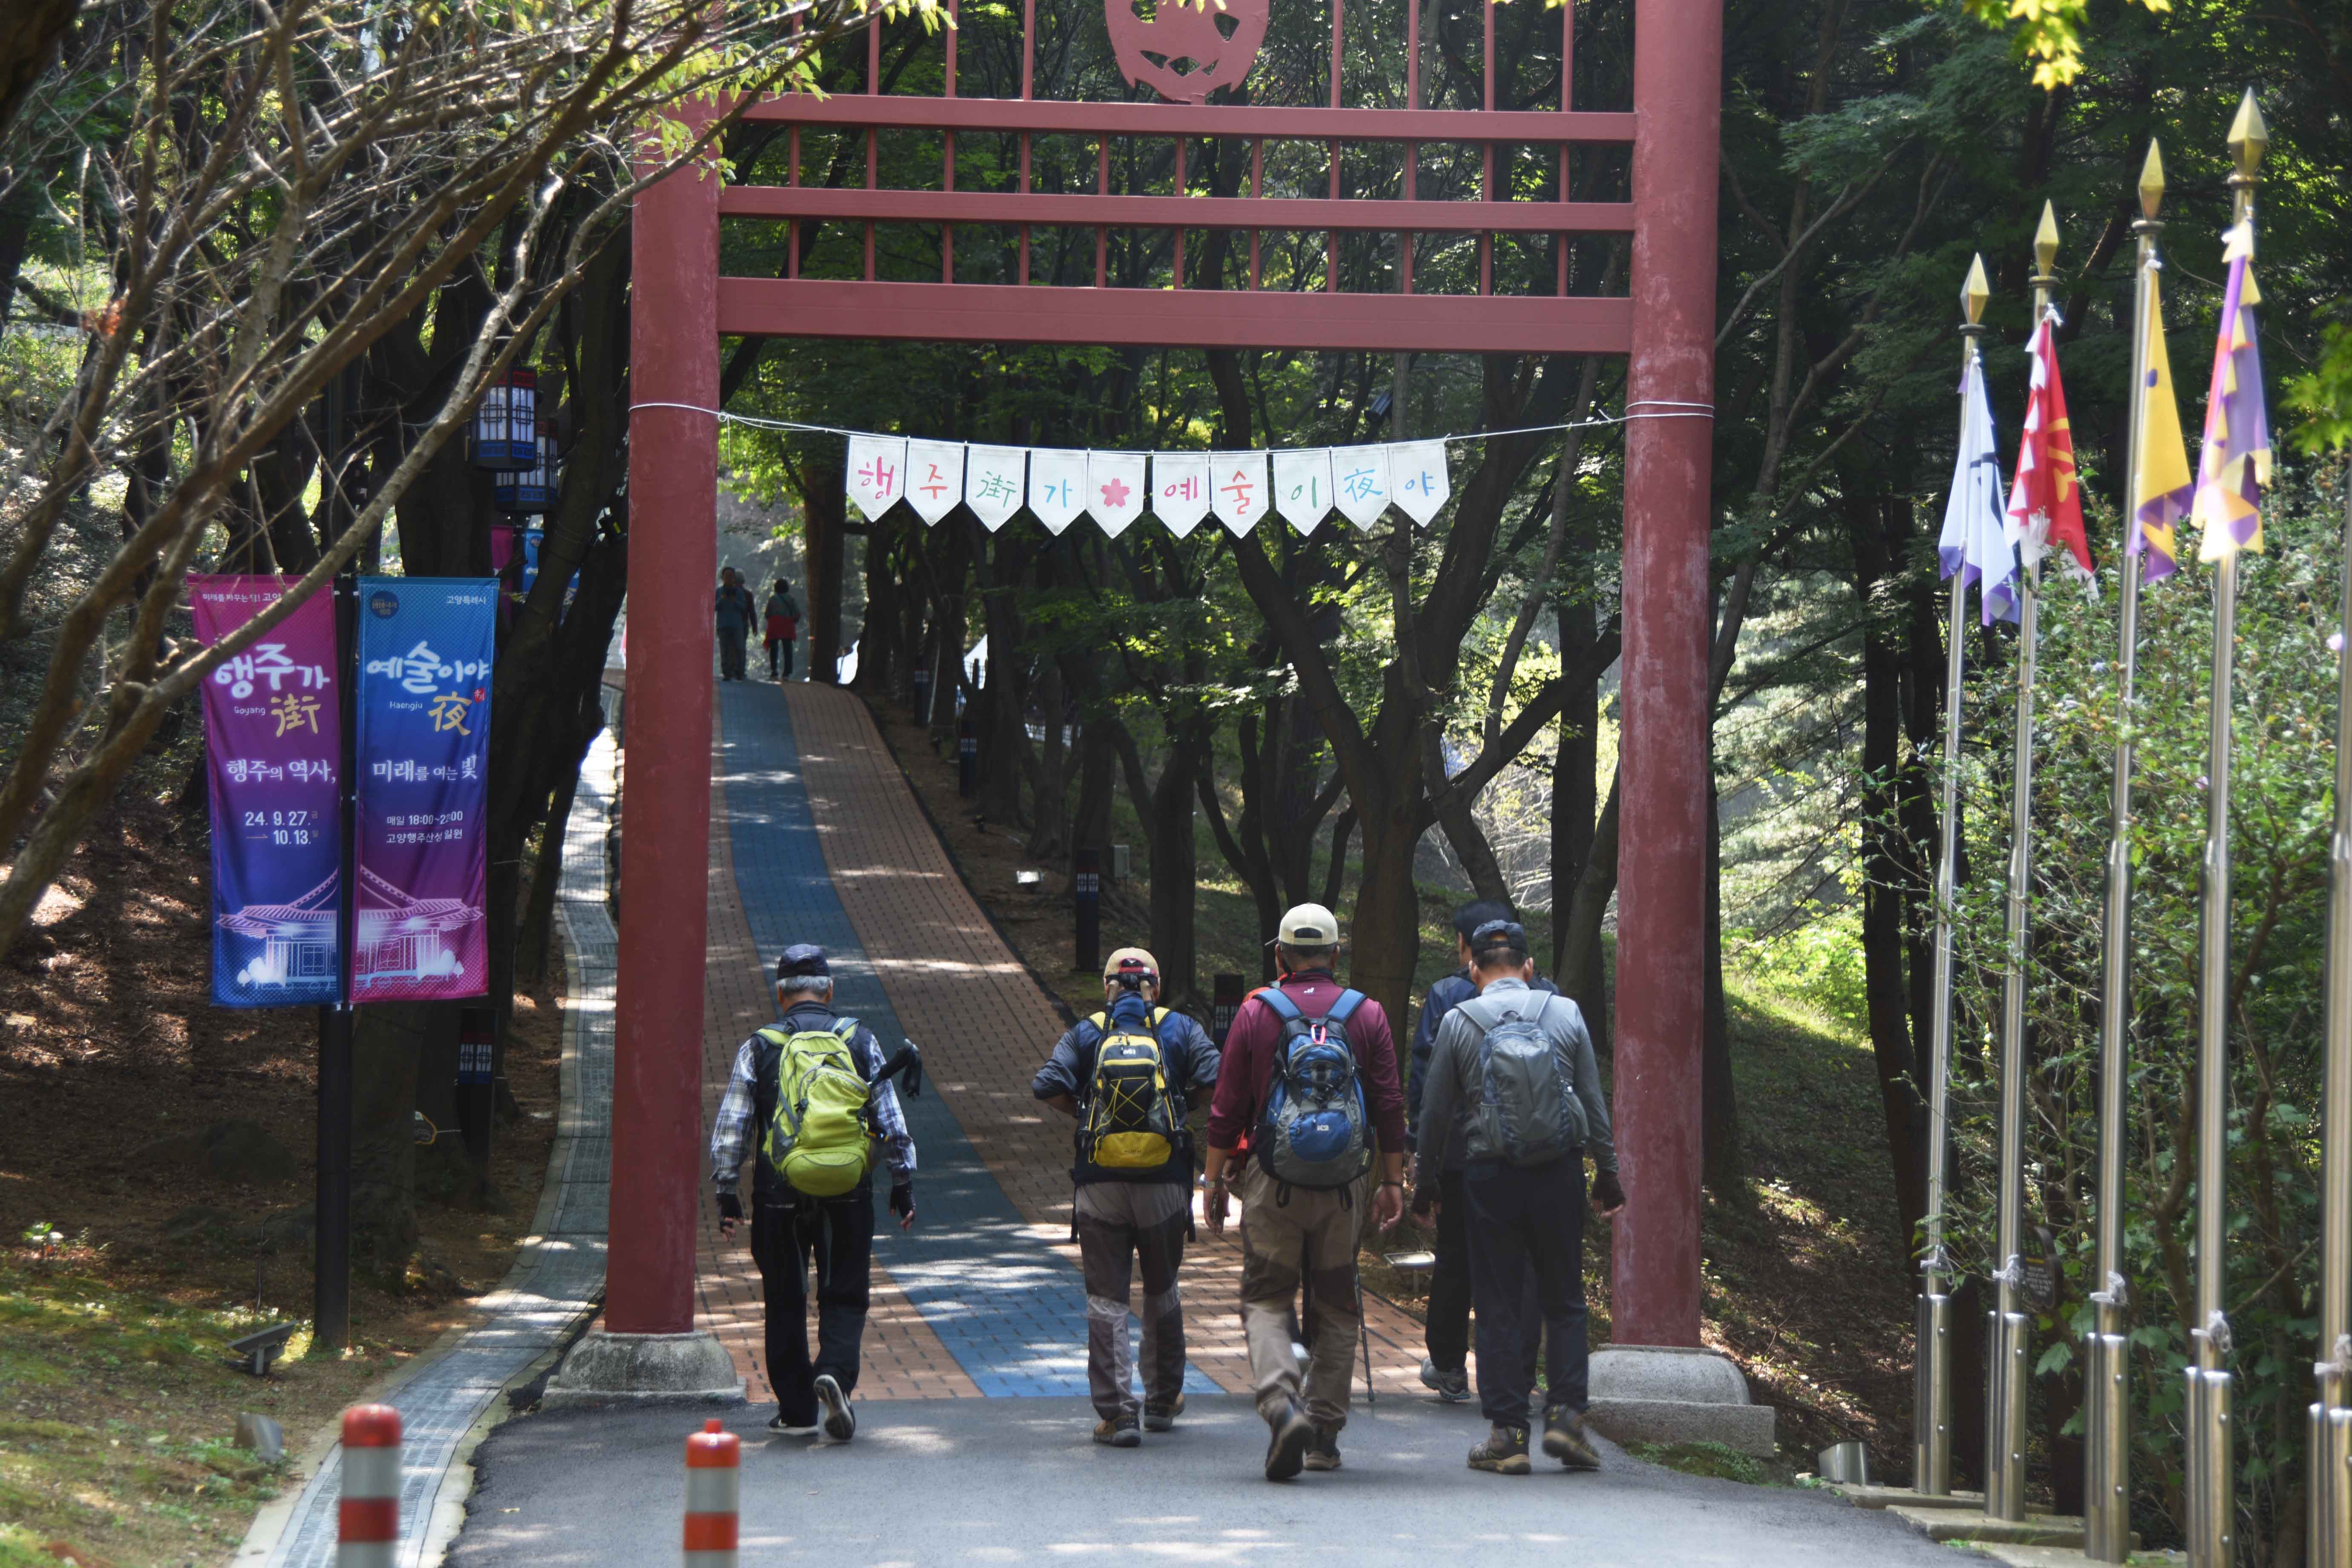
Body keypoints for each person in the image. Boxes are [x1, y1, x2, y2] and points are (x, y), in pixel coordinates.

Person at [1202, 903, 1408, 1482]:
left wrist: (1213, 1180)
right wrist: (1392, 1181)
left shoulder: (1256, 1011)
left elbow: (1226, 1106)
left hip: (1274, 1182)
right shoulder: (1367, 1013)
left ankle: (1281, 1404)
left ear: (1280, 956)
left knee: (1267, 1297)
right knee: (1337, 1305)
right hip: (1345, 1184)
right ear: (1336, 955)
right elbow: (1390, 1105)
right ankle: (1322, 1434)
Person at [1413, 918, 1625, 1476]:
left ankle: (1507, 1436)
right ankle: (1567, 1420)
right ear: (1530, 968)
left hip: (1490, 1176)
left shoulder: (1460, 1020)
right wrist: (1607, 1173)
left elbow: (1435, 1113)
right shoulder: (1566, 1013)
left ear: (1474, 970)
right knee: (1565, 1299)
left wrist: (1425, 1183)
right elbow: (1593, 1102)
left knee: (1498, 1301)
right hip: (1559, 1171)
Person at [711, 944, 917, 1440]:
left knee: (784, 1296)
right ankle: (836, 1373)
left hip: (778, 1191)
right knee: (845, 1288)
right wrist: (902, 1182)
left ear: (780, 993)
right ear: (829, 990)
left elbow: (733, 1128)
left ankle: (797, 1410)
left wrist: (727, 1192)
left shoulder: (759, 1046)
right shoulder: (858, 1038)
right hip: (849, 1185)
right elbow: (889, 1116)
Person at [1032, 948, 1220, 1447]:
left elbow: (1045, 1084)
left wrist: (1086, 1114)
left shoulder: (1088, 1031)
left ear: (1108, 986)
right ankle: (1162, 1398)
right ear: (1155, 986)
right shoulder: (1180, 1028)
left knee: (1106, 1298)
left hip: (1100, 1184)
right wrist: (1180, 1106)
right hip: (1165, 1181)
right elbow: (1216, 1076)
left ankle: (1118, 1414)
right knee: (1162, 1288)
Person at [1407, 899, 1551, 1404]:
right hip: (1537, 1154)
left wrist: (1419, 1152)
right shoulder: (1549, 998)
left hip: (1462, 1154)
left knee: (1456, 1257)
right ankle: (1520, 1373)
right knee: (1526, 1265)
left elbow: (1427, 1080)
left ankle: (1449, 1365)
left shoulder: (1448, 995)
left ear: (1471, 951)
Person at [714, 568, 755, 682]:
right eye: (726, 576)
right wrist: (722, 600)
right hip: (723, 625)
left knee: (740, 649)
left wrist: (735, 601)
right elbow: (714, 607)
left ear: (734, 578)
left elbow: (744, 607)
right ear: (723, 578)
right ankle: (727, 673)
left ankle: (740, 672)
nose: (729, 578)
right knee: (725, 650)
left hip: (737, 625)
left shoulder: (739, 592)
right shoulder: (719, 592)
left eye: (731, 576)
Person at [764, 578, 801, 681]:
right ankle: (787, 673)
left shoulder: (773, 599)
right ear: (787, 588)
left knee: (774, 648)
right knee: (788, 649)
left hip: (775, 625)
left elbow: (767, 614)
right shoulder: (791, 599)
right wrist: (793, 621)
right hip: (787, 625)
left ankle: (774, 672)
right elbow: (797, 612)